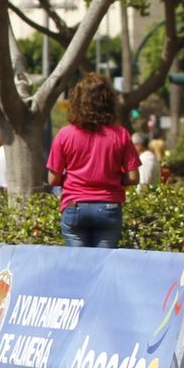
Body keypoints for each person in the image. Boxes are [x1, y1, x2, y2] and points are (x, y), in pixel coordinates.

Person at [47, 74, 141, 248]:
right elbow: (134, 177)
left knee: (78, 265)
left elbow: (52, 180)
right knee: (102, 266)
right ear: (108, 103)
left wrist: (71, 179)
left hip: (74, 205)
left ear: (76, 102)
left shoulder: (64, 135)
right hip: (108, 207)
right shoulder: (120, 134)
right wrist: (112, 178)